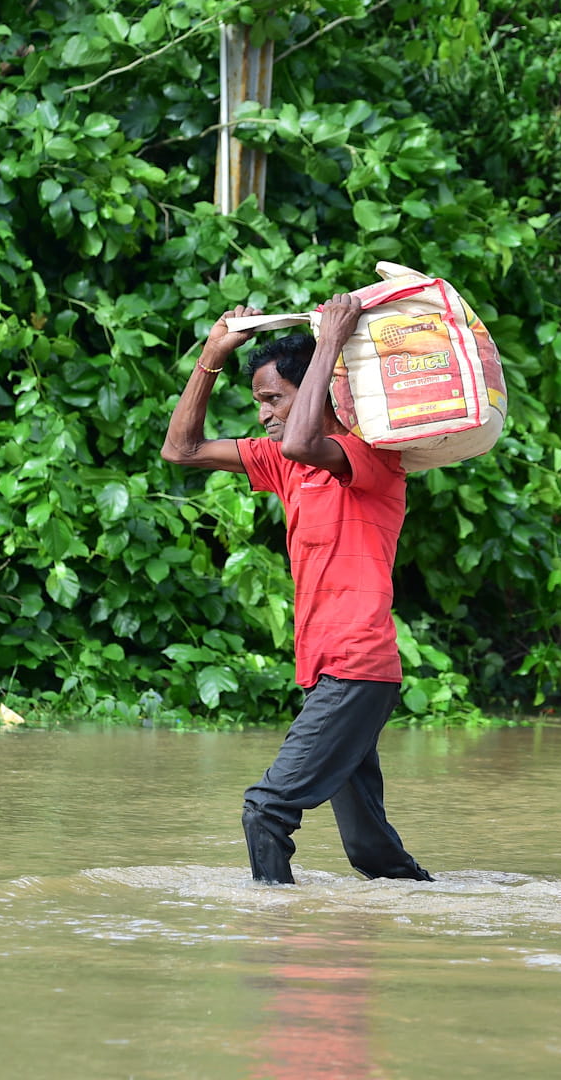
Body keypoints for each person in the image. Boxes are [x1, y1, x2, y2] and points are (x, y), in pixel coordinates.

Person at [160, 294, 434, 885]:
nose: (263, 414)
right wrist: (210, 357)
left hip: (357, 667)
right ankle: (444, 918)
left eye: (272, 399)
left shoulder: (371, 458)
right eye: (259, 401)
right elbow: (179, 449)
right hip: (328, 672)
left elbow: (304, 441)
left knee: (265, 809)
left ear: (314, 387)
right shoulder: (288, 466)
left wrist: (330, 342)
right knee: (371, 852)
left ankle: (274, 927)